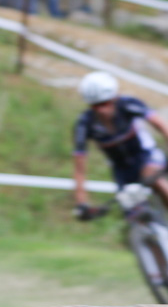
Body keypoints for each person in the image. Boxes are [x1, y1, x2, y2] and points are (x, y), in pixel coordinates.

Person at [72, 72, 168, 219]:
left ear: (114, 98)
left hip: (146, 156)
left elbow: (161, 125)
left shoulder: (128, 104)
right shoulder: (85, 124)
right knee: (134, 216)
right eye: (95, 106)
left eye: (105, 103)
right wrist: (81, 202)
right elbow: (79, 167)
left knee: (154, 178)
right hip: (122, 172)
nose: (101, 110)